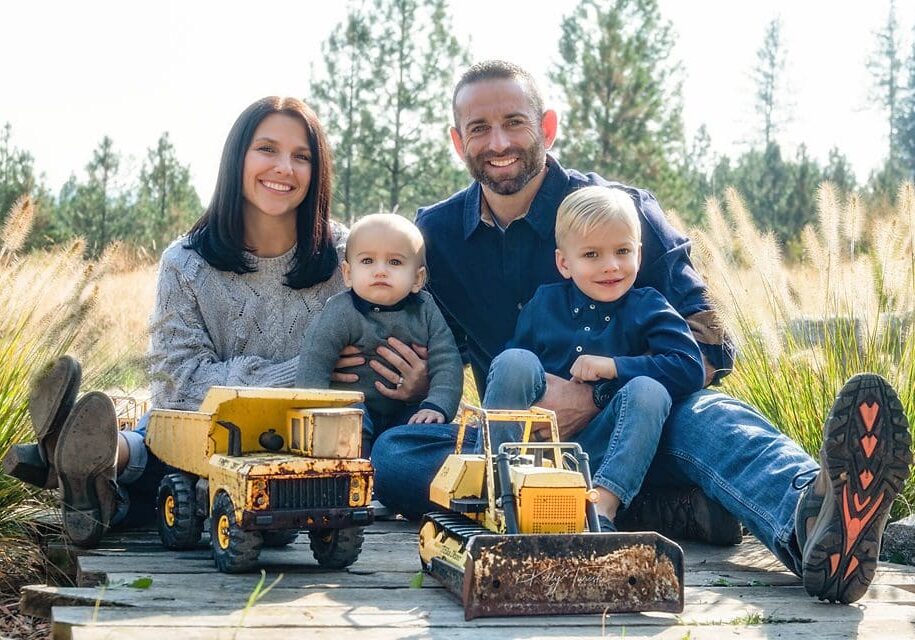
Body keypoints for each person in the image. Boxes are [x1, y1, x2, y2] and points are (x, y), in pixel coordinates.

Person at [370, 60, 913, 603]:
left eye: (515, 121)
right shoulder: (436, 236)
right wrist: (425, 380)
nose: (498, 141)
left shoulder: (620, 215)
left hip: (638, 426)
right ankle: (664, 508)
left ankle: (814, 518)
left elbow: (712, 340)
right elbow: (437, 345)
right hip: (515, 449)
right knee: (397, 453)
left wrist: (599, 392)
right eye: (478, 129)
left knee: (708, 415)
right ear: (457, 141)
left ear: (548, 126)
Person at [2, 96, 429, 547]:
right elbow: (178, 385)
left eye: (301, 156)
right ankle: (91, 460)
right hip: (207, 427)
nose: (284, 167)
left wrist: (418, 379)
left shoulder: (352, 256)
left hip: (310, 440)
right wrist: (303, 370)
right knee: (185, 438)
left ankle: (78, 458)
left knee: (213, 459)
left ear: (317, 170)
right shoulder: (185, 263)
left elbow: (397, 340)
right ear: (236, 158)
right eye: (267, 149)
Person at [481, 186, 705, 532]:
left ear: (639, 254)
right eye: (592, 255)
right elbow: (512, 373)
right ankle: (498, 485)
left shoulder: (648, 306)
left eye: (622, 251)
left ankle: (601, 510)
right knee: (514, 360)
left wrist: (617, 367)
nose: (611, 266)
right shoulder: (545, 304)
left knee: (650, 389)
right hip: (536, 451)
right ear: (564, 263)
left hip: (604, 446)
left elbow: (688, 367)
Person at [296, 213, 463, 454]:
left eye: (395, 262)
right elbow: (314, 360)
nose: (380, 271)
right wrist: (314, 407)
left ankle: (401, 480)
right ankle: (353, 478)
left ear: (418, 278)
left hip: (406, 409)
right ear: (348, 274)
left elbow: (447, 361)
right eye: (367, 261)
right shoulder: (340, 311)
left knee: (424, 431)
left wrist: (436, 406)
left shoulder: (425, 310)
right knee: (349, 424)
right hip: (351, 404)